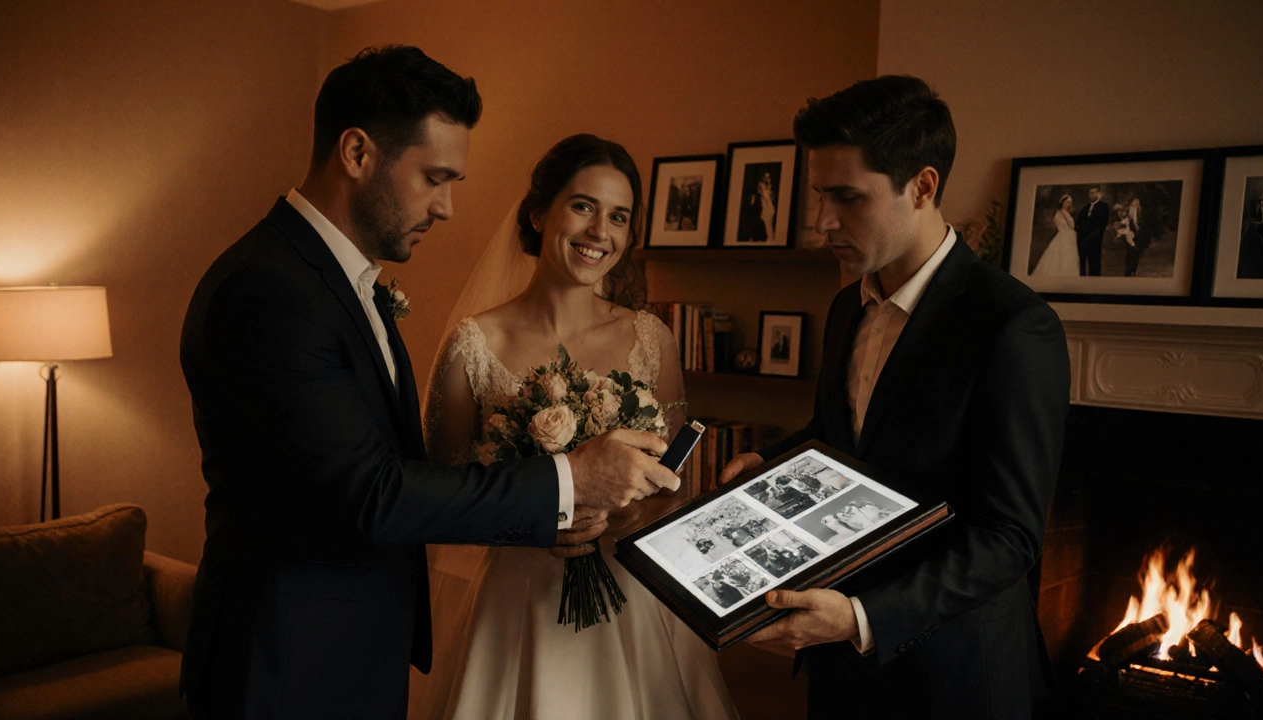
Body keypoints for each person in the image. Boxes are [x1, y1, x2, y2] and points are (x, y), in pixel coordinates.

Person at [179, 47, 679, 719]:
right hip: (290, 661)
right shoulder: (269, 290)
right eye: (434, 177)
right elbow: (375, 492)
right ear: (357, 153)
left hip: (353, 645)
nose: (446, 207)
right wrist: (570, 481)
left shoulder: (345, 282)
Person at [719, 75, 1070, 718]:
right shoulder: (846, 306)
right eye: (820, 195)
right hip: (841, 670)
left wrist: (860, 616)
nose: (822, 221)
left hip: (954, 675)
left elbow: (1011, 537)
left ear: (924, 186)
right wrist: (775, 465)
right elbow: (846, 435)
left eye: (847, 198)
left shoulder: (1014, 327)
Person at [417, 134, 738, 720]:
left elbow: (675, 489)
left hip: (633, 602)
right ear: (539, 212)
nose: (600, 233)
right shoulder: (472, 345)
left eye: (619, 217)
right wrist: (529, 522)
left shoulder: (651, 340)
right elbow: (436, 501)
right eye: (583, 206)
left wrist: (632, 513)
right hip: (516, 610)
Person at [1031, 193, 1080, 276]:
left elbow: (1071, 225)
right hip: (1064, 237)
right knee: (1061, 257)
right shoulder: (1060, 213)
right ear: (1063, 203)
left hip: (1069, 236)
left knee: (1069, 258)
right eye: (1068, 202)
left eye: (1070, 203)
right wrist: (1067, 216)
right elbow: (1070, 225)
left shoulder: (1064, 212)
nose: (1069, 205)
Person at [1075, 185, 1110, 276]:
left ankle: (1094, 282)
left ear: (1098, 194)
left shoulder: (1104, 207)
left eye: (1093, 193)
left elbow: (1102, 225)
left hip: (1095, 239)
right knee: (1081, 261)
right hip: (1082, 239)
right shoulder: (1085, 207)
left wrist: (1092, 236)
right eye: (1090, 193)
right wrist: (1079, 233)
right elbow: (1078, 221)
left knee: (1094, 262)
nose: (1091, 195)